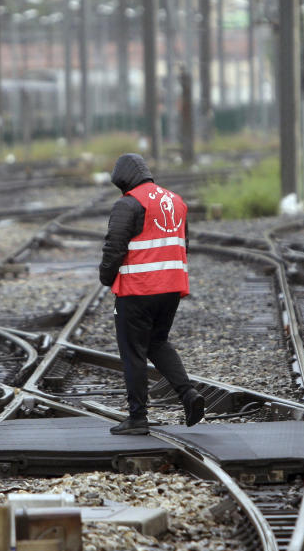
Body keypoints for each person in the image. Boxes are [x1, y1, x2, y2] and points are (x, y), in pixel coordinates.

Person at [99, 153, 205, 435]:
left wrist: (106, 277)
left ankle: (137, 417)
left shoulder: (128, 203)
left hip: (137, 290)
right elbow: (184, 243)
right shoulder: (176, 200)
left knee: (133, 351)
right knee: (157, 342)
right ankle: (188, 394)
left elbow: (114, 247)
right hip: (170, 288)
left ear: (124, 180)